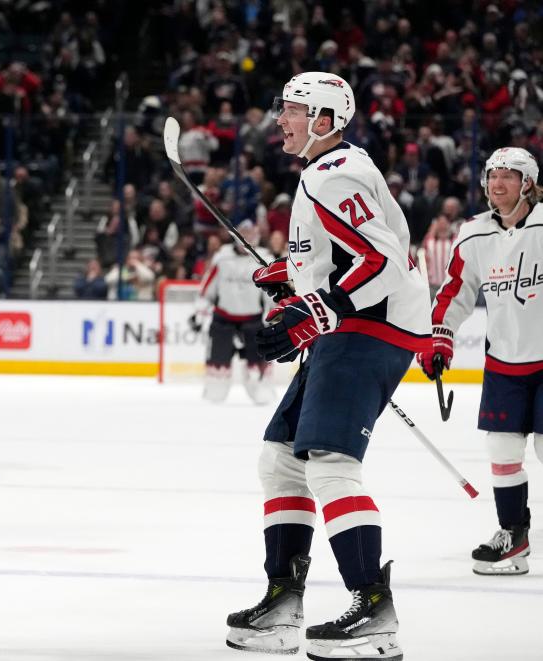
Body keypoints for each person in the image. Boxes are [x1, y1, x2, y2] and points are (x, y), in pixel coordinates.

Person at [226, 72, 430, 660]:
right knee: (281, 461)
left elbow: (382, 260)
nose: (280, 119)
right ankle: (282, 605)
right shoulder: (329, 170)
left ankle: (373, 610)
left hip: (367, 329)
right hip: (352, 327)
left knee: (330, 463)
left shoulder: (333, 172)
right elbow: (346, 256)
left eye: (291, 110)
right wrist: (294, 282)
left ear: (323, 120)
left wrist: (315, 307)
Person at [418, 147, 543, 576]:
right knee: (503, 450)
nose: (497, 185)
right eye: (492, 176)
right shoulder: (474, 234)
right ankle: (514, 535)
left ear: (527, 182)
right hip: (505, 360)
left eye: (508, 176)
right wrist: (439, 338)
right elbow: (454, 290)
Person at [188, 221, 273, 404]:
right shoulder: (222, 259)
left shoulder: (265, 259)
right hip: (223, 321)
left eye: (251, 233)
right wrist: (198, 313)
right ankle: (214, 389)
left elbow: (272, 295)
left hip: (254, 322)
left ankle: (260, 387)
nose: (247, 237)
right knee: (217, 370)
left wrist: (276, 316)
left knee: (258, 368)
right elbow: (207, 291)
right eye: (243, 233)